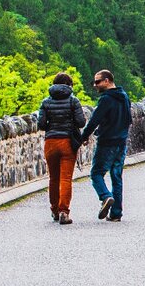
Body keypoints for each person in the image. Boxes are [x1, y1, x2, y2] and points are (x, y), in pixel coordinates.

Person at [35, 73, 88, 224]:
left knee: (53, 178)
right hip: (67, 142)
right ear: (69, 85)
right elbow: (81, 122)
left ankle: (54, 210)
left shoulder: (46, 102)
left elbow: (41, 124)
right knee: (65, 178)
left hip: (51, 142)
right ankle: (64, 211)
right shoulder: (73, 101)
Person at [83, 69, 131, 222]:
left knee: (96, 173)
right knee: (116, 176)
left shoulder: (106, 99)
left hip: (107, 143)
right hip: (121, 142)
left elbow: (94, 120)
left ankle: (105, 197)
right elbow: (128, 119)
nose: (95, 85)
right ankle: (116, 213)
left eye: (98, 82)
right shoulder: (124, 97)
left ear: (107, 81)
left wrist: (82, 138)